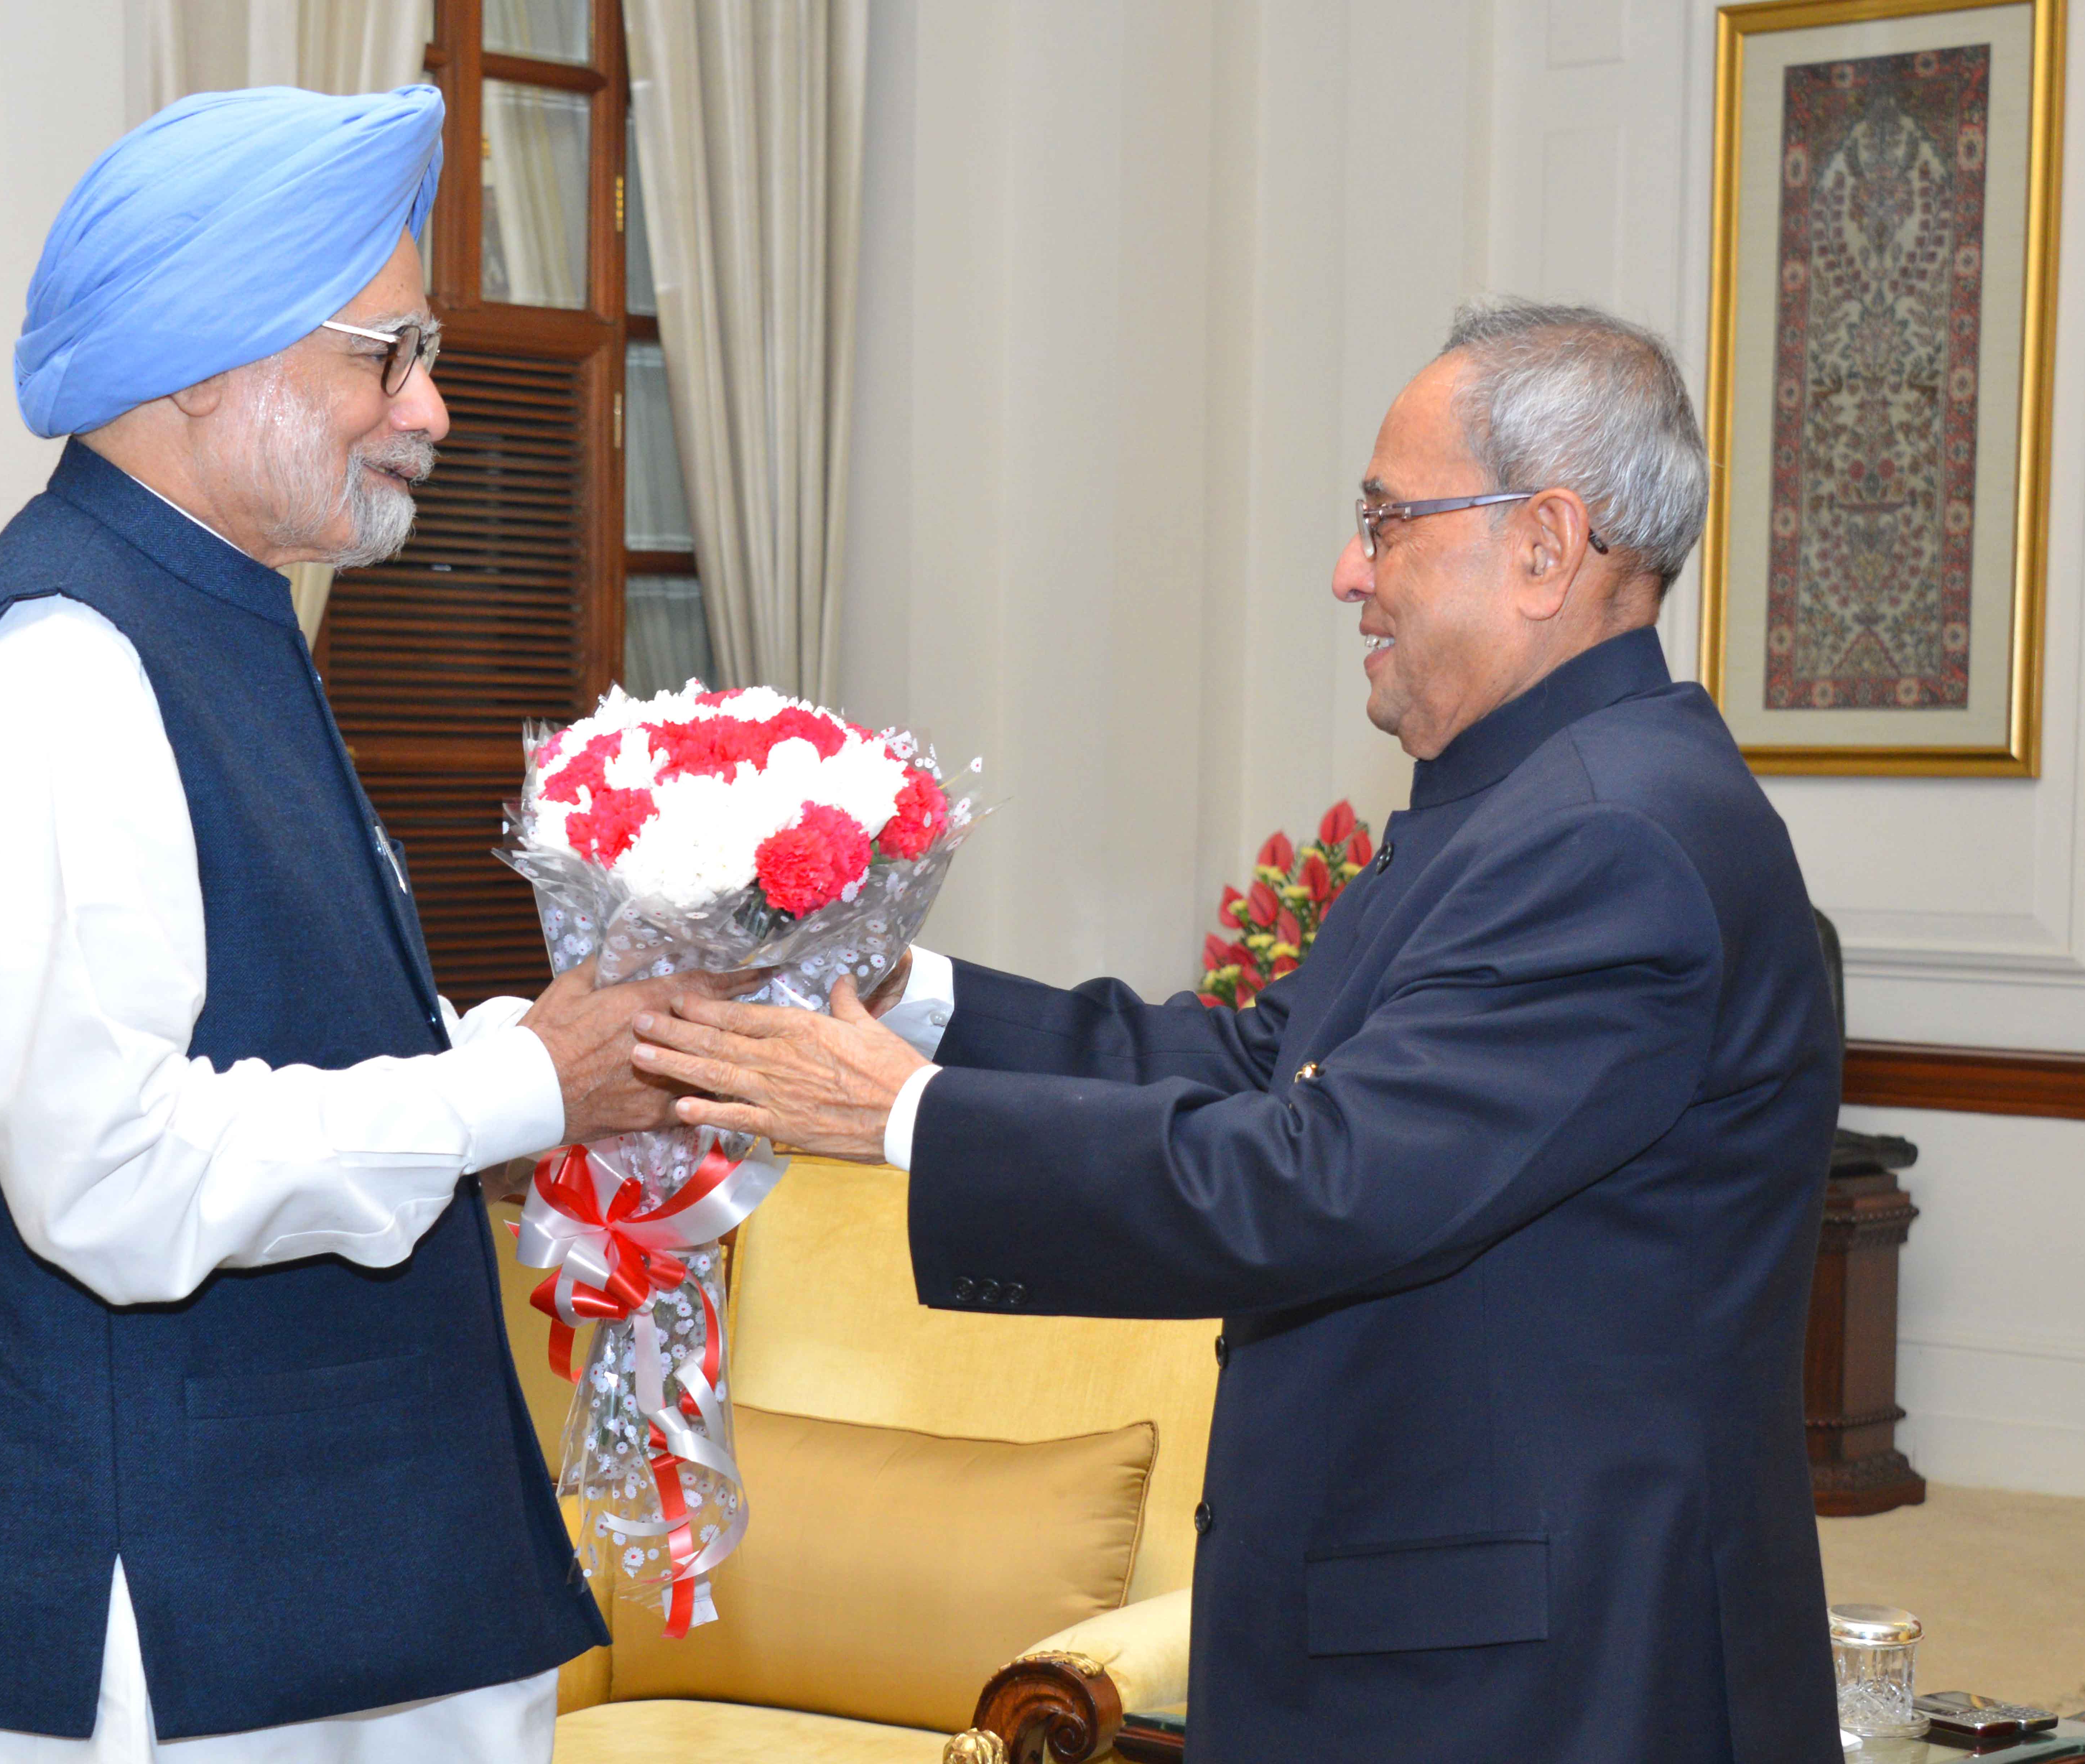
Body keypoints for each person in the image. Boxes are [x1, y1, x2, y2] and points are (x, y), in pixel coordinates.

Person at [630, 300, 1844, 1762]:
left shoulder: (1607, 839)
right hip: (1448, 1637)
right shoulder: (1537, 799)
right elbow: (1262, 1064)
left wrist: (898, 1117)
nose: (1348, 573)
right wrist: (918, 1003)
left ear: (1543, 546)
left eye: (1387, 521)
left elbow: (1322, 1178)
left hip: (1541, 1675)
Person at [0, 85, 718, 1763]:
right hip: (171, 1631)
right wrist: (517, 1090)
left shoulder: (216, 620)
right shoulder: (63, 664)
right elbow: (110, 1168)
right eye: (381, 354)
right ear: (202, 360)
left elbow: (268, 1053)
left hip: (313, 1587)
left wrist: (567, 1057)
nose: (432, 408)